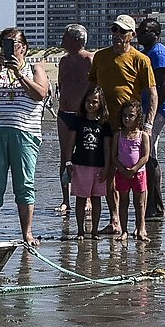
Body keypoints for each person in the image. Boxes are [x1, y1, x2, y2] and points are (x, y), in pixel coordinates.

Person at [0, 27, 49, 245]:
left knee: (24, 183)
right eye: (5, 44)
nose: (10, 49)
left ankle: (27, 232)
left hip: (25, 131)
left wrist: (19, 74)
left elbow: (40, 94)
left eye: (14, 44)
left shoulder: (35, 68)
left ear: (24, 47)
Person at [91, 15, 156, 136]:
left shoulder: (141, 59)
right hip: (100, 122)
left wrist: (148, 124)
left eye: (123, 31)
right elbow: (91, 87)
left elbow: (152, 92)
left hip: (127, 124)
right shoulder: (100, 56)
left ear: (133, 35)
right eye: (114, 29)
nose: (117, 34)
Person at [138, 17, 165, 220]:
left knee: (149, 153)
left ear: (155, 34)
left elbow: (164, 84)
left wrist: (151, 114)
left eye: (144, 31)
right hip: (144, 109)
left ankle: (156, 205)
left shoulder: (159, 53)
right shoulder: (145, 53)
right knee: (147, 152)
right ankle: (150, 202)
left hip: (157, 110)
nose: (139, 34)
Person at [52, 24, 91, 212]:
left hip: (82, 116)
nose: (62, 40)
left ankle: (86, 198)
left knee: (84, 157)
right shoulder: (64, 61)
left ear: (76, 40)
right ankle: (65, 199)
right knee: (65, 157)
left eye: (65, 36)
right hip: (64, 114)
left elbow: (95, 89)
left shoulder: (89, 60)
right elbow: (61, 84)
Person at [65, 90, 112, 239]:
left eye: (94, 102)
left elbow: (106, 147)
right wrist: (68, 161)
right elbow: (70, 142)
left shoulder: (104, 123)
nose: (91, 105)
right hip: (80, 164)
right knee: (81, 198)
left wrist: (107, 166)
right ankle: (80, 230)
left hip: (98, 166)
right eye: (88, 101)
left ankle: (94, 231)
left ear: (100, 103)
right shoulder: (78, 120)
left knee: (97, 198)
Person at [110, 101, 149, 240]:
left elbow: (145, 156)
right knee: (123, 203)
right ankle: (124, 231)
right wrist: (121, 169)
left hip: (138, 173)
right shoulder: (118, 135)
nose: (127, 119)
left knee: (139, 204)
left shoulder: (142, 135)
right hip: (121, 174)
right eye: (125, 116)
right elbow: (113, 156)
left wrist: (134, 169)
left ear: (137, 117)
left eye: (131, 116)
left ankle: (140, 229)